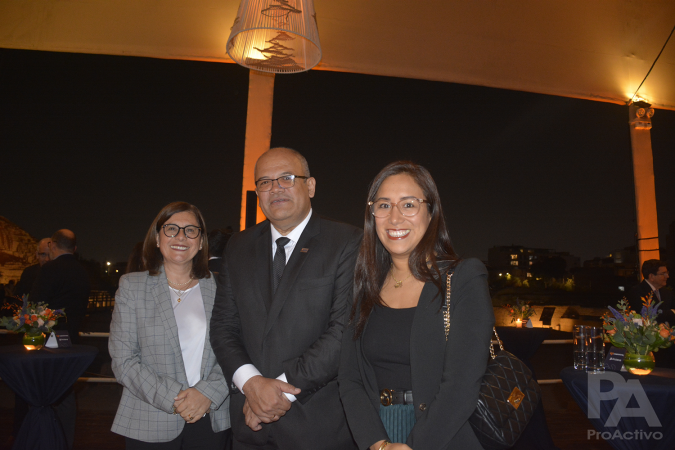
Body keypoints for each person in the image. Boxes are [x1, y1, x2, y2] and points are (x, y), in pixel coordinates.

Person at [210, 147, 362, 450]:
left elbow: (343, 333)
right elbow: (223, 326)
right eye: (264, 182)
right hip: (249, 425)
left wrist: (276, 395)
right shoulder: (238, 246)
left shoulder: (348, 242)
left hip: (317, 427)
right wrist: (251, 385)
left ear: (311, 186)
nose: (275, 188)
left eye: (287, 178)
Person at [338, 161, 495, 450]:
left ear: (431, 212)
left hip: (442, 436)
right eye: (384, 205)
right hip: (378, 434)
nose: (395, 218)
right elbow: (350, 378)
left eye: (408, 204)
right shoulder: (364, 285)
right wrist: (377, 443)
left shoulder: (464, 278)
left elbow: (461, 386)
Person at [109, 201, 231, 449]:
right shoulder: (132, 287)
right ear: (157, 238)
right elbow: (124, 360)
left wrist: (208, 393)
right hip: (149, 418)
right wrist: (177, 400)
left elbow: (235, 349)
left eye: (191, 230)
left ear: (201, 242)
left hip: (210, 415)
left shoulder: (222, 287)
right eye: (171, 229)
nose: (181, 237)